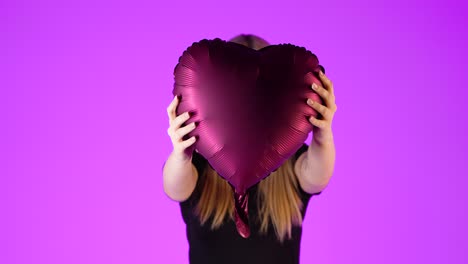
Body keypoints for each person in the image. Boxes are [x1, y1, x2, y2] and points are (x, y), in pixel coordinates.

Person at [163, 34, 337, 264]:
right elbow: (174, 188)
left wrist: (323, 135)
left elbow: (317, 178)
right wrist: (181, 153)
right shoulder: (200, 164)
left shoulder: (292, 161)